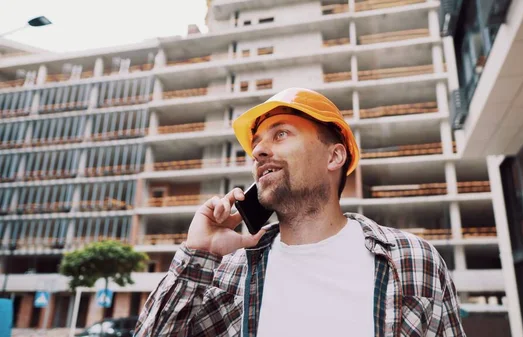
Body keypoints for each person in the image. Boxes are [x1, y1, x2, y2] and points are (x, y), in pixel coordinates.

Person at [134, 87, 467, 337]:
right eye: (256, 145)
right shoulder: (229, 272)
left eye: (281, 134)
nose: (259, 151)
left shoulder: (412, 260)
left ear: (334, 157)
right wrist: (198, 254)